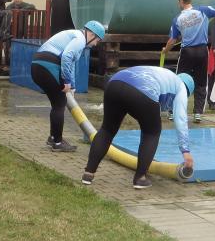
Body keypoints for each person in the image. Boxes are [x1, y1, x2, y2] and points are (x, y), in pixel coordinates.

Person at [81, 66, 195, 189]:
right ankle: (140, 178)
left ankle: (88, 173)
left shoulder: (166, 75)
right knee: (151, 132)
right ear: (188, 91)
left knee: (107, 130)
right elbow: (181, 119)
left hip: (114, 82)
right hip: (142, 90)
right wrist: (185, 151)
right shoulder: (181, 88)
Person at [31, 20, 105, 152]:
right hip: (48, 65)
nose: (95, 44)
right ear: (92, 34)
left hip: (37, 66)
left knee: (57, 103)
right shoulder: (80, 39)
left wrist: (72, 86)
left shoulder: (75, 37)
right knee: (60, 103)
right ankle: (57, 142)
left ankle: (54, 138)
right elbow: (66, 57)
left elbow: (71, 64)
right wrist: (66, 81)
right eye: (97, 40)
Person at [161, 0, 215, 123]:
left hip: (187, 52)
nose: (178, 4)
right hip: (202, 51)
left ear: (181, 1)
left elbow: (172, 40)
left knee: (179, 81)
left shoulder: (177, 19)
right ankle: (197, 113)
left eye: (178, 1)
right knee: (201, 82)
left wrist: (165, 50)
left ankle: (173, 111)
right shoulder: (202, 10)